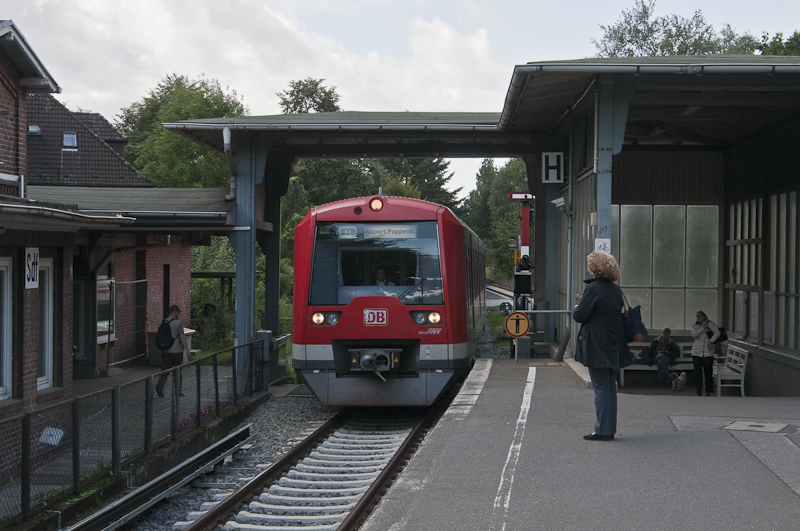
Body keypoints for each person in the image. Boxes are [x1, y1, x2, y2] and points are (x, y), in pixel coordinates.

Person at [573, 251, 631, 441]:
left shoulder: (594, 289)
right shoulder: (614, 289)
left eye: (590, 265)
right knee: (610, 387)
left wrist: (576, 308)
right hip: (614, 344)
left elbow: (580, 315)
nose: (588, 268)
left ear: (595, 268)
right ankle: (609, 428)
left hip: (597, 344)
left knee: (601, 388)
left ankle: (603, 430)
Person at [155, 304, 190, 398]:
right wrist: (187, 350)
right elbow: (182, 336)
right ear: (175, 312)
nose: (178, 314)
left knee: (164, 371)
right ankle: (177, 391)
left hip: (165, 351)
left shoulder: (163, 322)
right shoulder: (178, 323)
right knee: (177, 372)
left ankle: (160, 386)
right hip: (177, 351)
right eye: (178, 312)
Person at [691, 310, 719, 396]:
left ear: (704, 316)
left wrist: (711, 341)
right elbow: (694, 334)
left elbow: (718, 333)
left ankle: (708, 391)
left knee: (708, 372)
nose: (699, 318)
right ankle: (698, 391)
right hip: (696, 352)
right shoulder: (695, 326)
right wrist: (702, 328)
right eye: (697, 316)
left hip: (707, 352)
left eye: (700, 316)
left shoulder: (710, 324)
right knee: (697, 372)